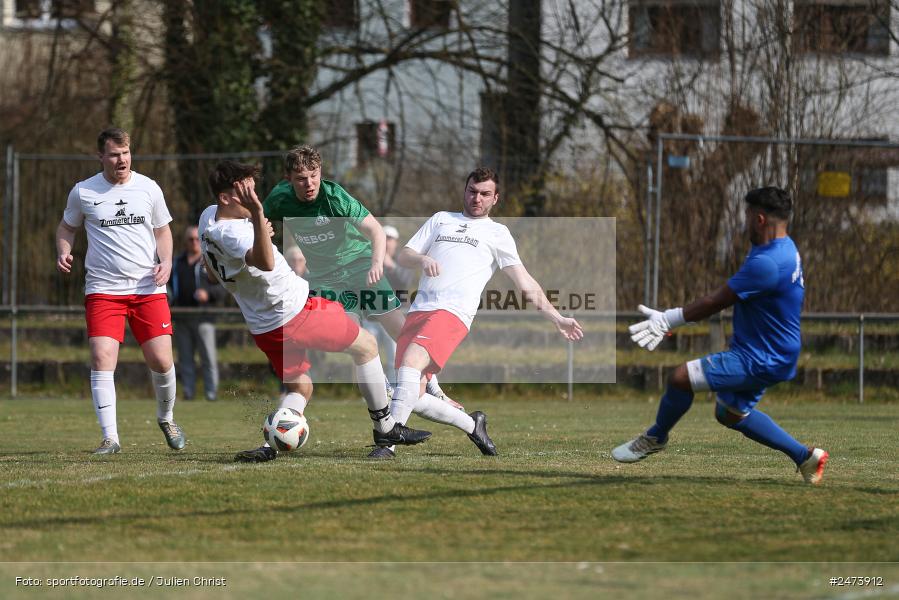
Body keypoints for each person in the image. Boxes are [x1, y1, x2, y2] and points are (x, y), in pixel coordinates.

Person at [199, 160, 431, 462]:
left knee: (301, 386)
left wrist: (254, 225)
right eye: (246, 192)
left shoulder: (208, 218)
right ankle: (385, 427)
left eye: (254, 189)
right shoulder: (237, 234)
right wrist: (258, 217)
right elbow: (266, 262)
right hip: (296, 312)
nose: (255, 196)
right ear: (226, 198)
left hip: (264, 327)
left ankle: (271, 443)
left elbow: (208, 265)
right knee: (367, 346)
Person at [611, 186, 829, 485]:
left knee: (680, 378)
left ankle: (655, 437)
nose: (745, 222)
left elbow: (717, 301)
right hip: (774, 351)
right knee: (730, 413)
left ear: (761, 219)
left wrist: (668, 319)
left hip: (761, 356)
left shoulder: (767, 263)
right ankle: (805, 457)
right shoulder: (784, 248)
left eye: (748, 215)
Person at [377, 167, 584, 459]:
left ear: (495, 198)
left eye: (485, 194)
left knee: (410, 365)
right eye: (472, 191)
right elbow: (404, 255)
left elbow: (524, 282)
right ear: (465, 191)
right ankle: (472, 424)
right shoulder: (441, 219)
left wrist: (557, 317)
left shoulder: (498, 233)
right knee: (414, 394)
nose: (477, 198)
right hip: (419, 310)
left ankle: (387, 445)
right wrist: (423, 259)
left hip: (452, 314)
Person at [262, 145, 455, 403]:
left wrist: (376, 264)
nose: (309, 183)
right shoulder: (279, 198)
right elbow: (256, 221)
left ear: (320, 173)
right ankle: (384, 393)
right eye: (301, 178)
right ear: (289, 179)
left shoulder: (334, 197)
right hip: (324, 278)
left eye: (314, 175)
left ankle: (433, 386)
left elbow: (376, 230)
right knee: (353, 340)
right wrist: (262, 230)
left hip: (360, 266)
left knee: (401, 331)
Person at [55, 127, 185, 455]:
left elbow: (163, 232)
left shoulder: (149, 188)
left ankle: (166, 418)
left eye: (125, 152)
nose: (121, 160)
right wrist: (63, 249)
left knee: (161, 360)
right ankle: (110, 438)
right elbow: (67, 227)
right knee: (102, 358)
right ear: (100, 157)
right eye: (114, 154)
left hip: (147, 289)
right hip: (103, 290)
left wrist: (167, 262)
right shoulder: (83, 191)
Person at [170, 225, 225, 401]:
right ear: (185, 242)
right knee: (185, 359)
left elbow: (223, 288)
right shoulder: (176, 263)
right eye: (190, 239)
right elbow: (168, 287)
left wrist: (208, 294)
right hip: (181, 317)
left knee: (208, 358)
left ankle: (211, 395)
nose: (194, 242)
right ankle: (188, 392)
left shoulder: (208, 261)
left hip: (204, 318)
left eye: (196, 239)